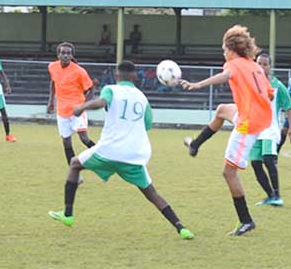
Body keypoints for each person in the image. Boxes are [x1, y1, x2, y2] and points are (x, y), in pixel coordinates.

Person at [47, 61, 194, 240]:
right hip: (135, 155)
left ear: (117, 76)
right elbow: (147, 125)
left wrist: (82, 107)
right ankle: (181, 228)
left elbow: (102, 102)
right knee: (151, 193)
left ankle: (68, 214)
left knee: (75, 164)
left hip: (109, 150)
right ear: (135, 77)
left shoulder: (111, 89)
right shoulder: (142, 97)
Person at [180, 25, 273, 236]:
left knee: (228, 172)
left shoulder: (234, 64)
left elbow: (225, 76)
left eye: (224, 48)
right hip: (254, 114)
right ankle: (195, 144)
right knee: (222, 110)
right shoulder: (254, 66)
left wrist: (197, 85)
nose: (223, 52)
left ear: (231, 48)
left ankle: (246, 220)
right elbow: (269, 94)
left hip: (249, 122)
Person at [251, 53, 291, 206]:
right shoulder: (252, 83)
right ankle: (270, 195)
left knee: (268, 160)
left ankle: (277, 195)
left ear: (270, 67)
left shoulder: (278, 86)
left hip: (270, 128)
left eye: (265, 64)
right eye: (259, 63)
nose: (261, 67)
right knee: (255, 164)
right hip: (255, 129)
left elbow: (288, 107)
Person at [48, 42, 96, 166]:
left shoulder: (79, 71)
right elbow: (53, 82)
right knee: (66, 142)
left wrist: (84, 105)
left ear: (72, 56)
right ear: (58, 55)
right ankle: (73, 172)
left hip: (77, 111)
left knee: (84, 139)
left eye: (68, 53)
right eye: (63, 53)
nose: (65, 56)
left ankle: (104, 156)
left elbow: (91, 88)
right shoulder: (52, 67)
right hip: (62, 111)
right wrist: (50, 101)